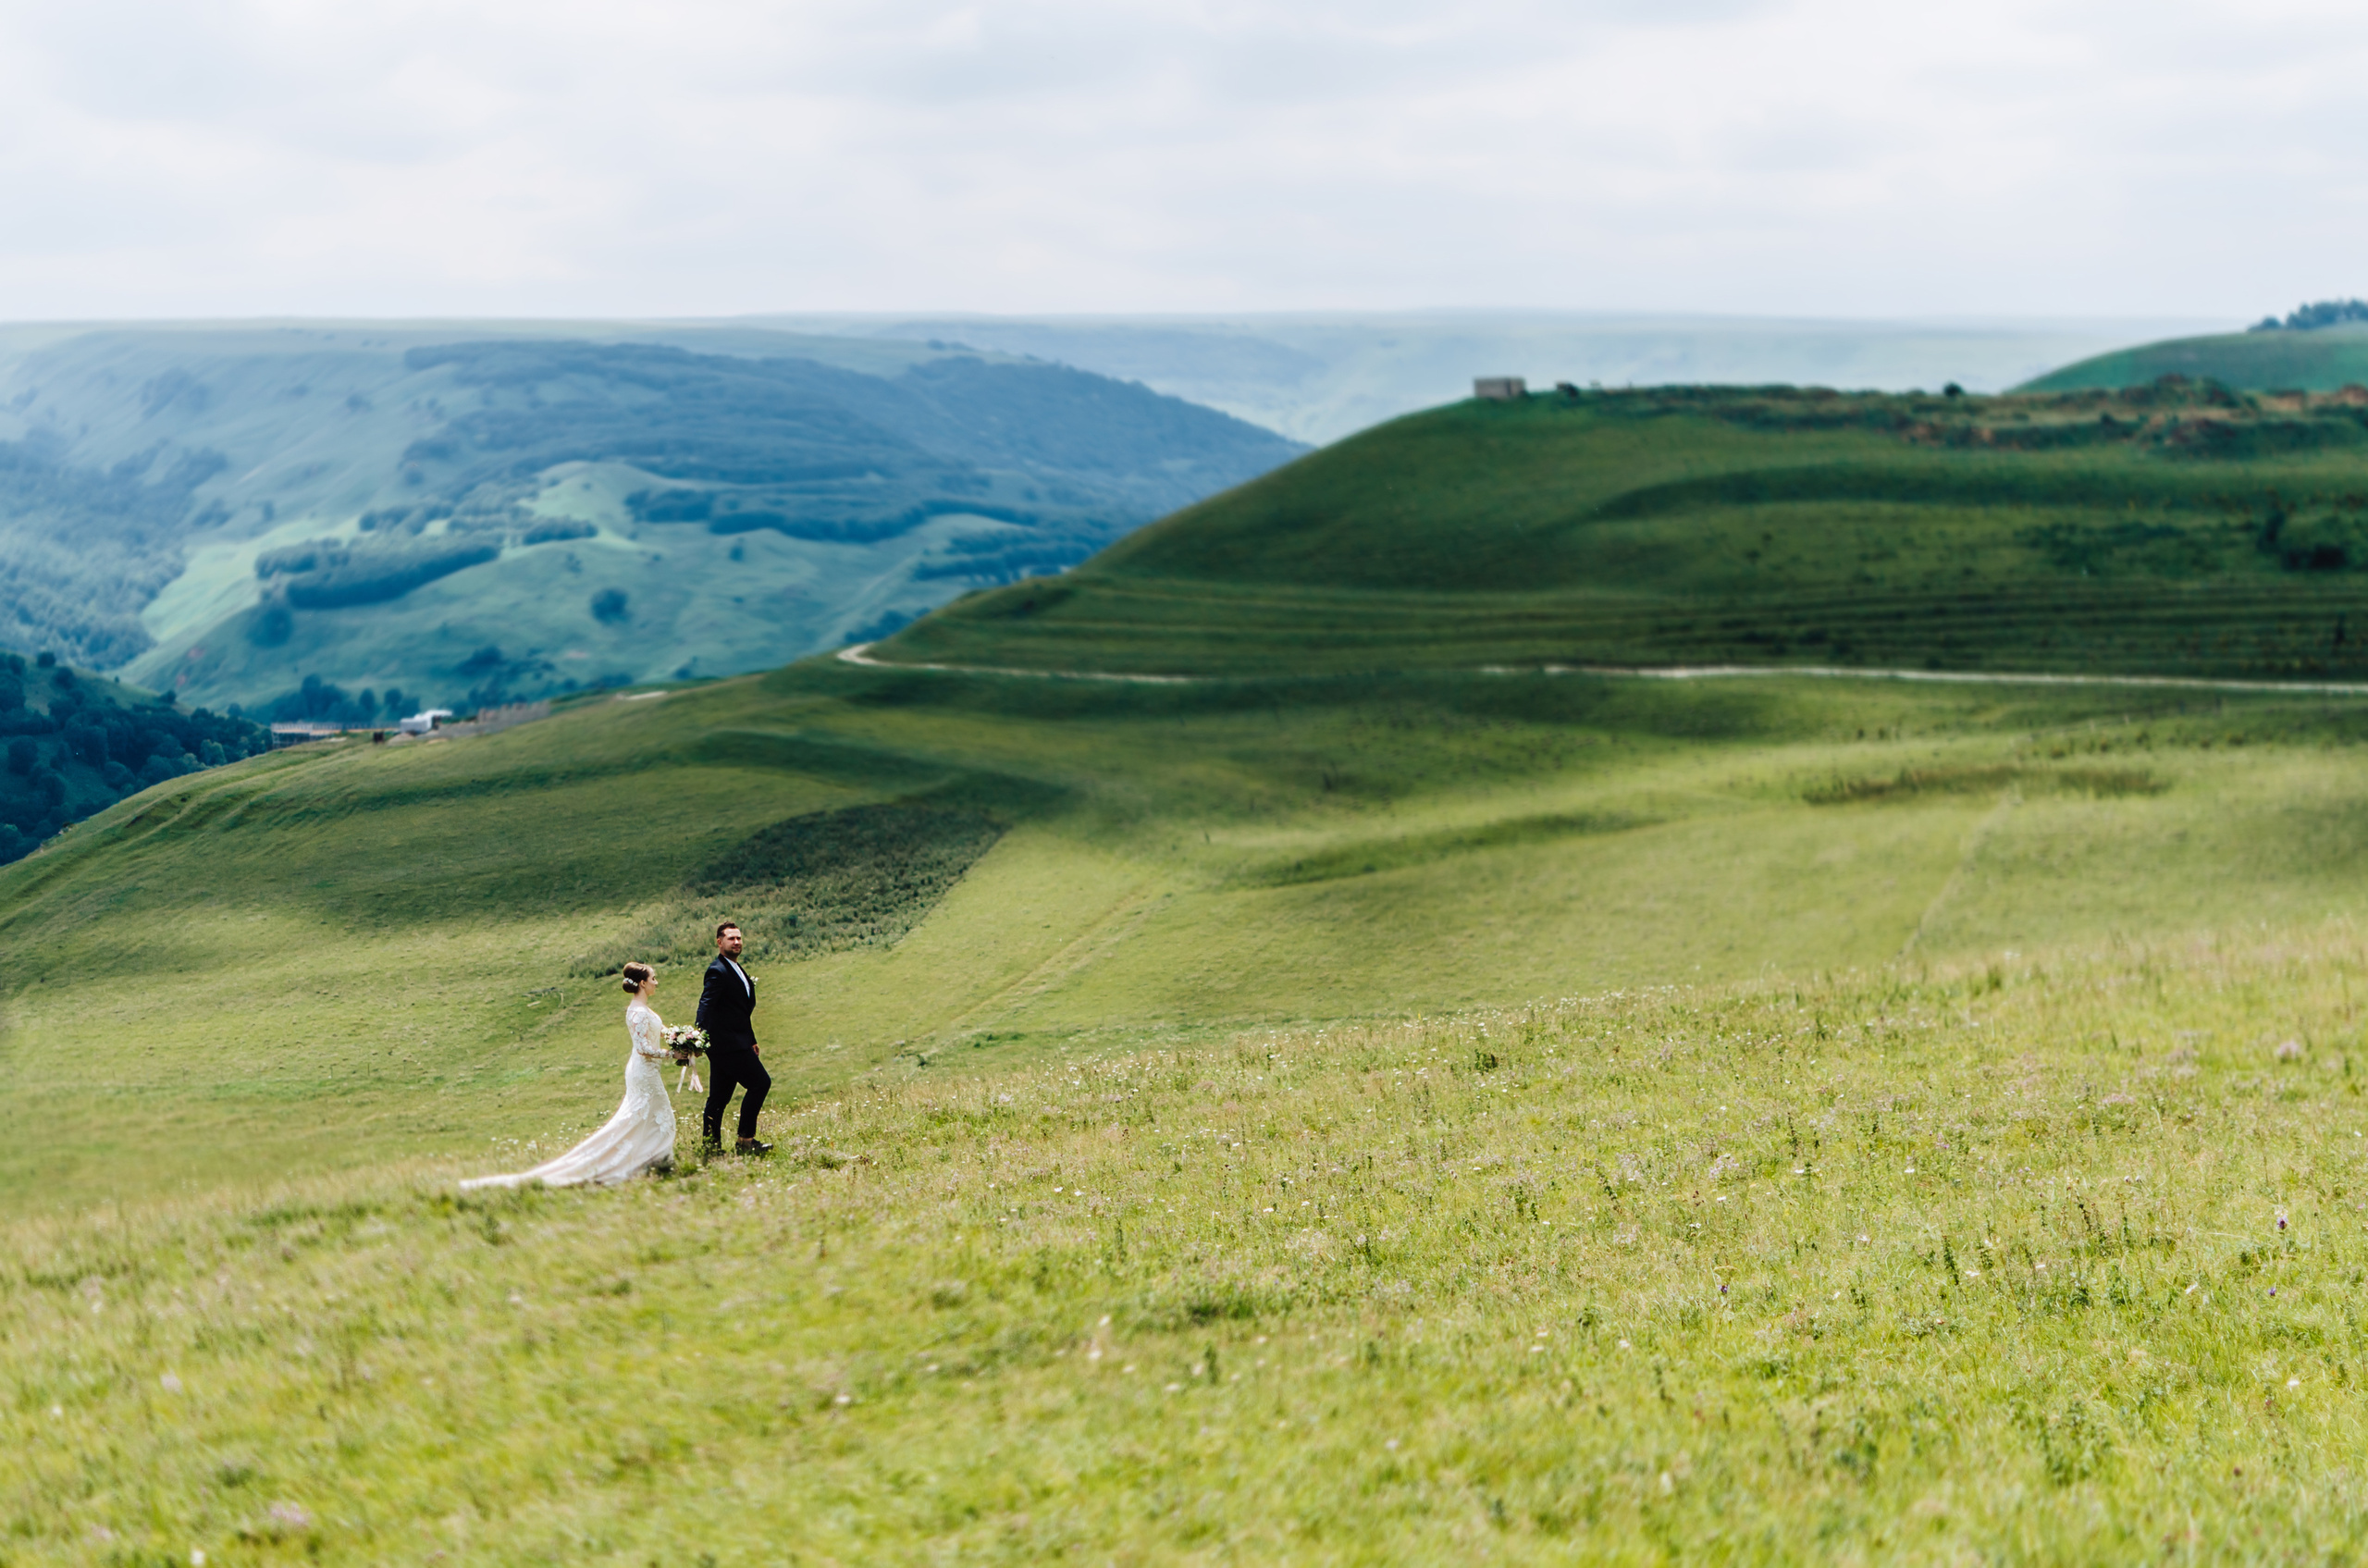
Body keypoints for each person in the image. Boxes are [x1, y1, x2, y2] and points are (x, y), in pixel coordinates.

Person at [462, 962, 688, 1190]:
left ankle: (651, 1161)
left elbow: (660, 1031)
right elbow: (642, 1048)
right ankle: (645, 1163)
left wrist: (684, 1038)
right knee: (656, 1117)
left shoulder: (644, 1009)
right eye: (654, 979)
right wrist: (671, 1053)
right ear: (642, 983)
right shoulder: (637, 1012)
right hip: (643, 1071)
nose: (656, 983)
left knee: (650, 1117)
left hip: (648, 1071)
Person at [697, 921, 772, 1155]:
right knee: (760, 1083)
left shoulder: (736, 968)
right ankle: (745, 1141)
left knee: (719, 1097)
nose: (736, 942)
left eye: (739, 938)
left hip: (737, 1042)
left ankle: (711, 1147)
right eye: (731, 938)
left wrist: (751, 1038)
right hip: (727, 1045)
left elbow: (739, 1011)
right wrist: (697, 1036)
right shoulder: (717, 970)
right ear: (720, 942)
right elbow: (706, 1005)